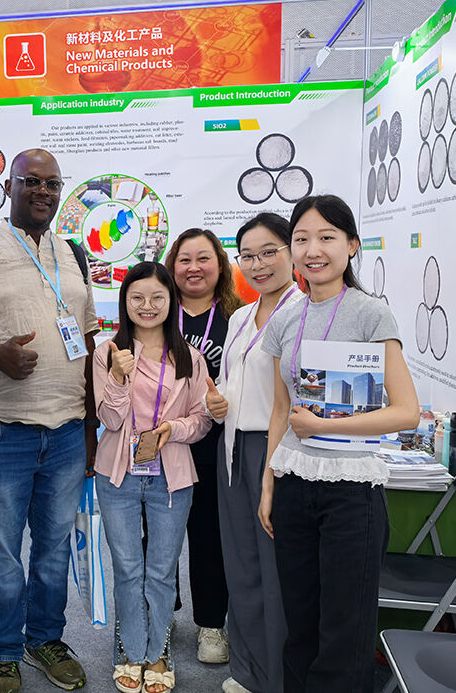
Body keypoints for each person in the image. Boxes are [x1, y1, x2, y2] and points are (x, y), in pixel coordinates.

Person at [258, 195, 419, 693]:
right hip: (293, 483)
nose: (313, 250)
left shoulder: (371, 314)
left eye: (326, 237)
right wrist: (268, 485)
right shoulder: (286, 318)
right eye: (301, 239)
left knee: (345, 630)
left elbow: (406, 411)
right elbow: (280, 411)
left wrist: (327, 425)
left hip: (351, 490)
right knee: (300, 622)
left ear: (351, 245)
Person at [0, 149, 99, 693]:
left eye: (52, 183)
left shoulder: (74, 253)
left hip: (66, 432)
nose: (43, 191)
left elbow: (87, 339)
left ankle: (45, 639)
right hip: (0, 431)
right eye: (31, 181)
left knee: (55, 549)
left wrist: (90, 427)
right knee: (1, 555)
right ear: (10, 186)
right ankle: (5, 652)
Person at [93, 262, 212, 693]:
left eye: (157, 298)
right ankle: (130, 650)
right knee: (127, 568)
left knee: (161, 570)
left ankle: (158, 651)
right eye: (137, 298)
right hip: (118, 475)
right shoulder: (108, 352)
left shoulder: (189, 358)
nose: (147, 306)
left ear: (171, 301)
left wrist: (171, 430)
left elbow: (201, 420)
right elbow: (109, 419)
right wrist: (118, 377)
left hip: (171, 475)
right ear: (124, 302)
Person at [205, 213, 305, 693]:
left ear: (292, 252)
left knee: (275, 570)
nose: (258, 264)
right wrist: (216, 401)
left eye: (269, 252)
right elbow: (232, 382)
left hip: (277, 452)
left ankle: (277, 678)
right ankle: (246, 671)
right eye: (247, 256)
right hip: (232, 450)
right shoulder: (241, 316)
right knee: (241, 564)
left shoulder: (305, 312)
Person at [164, 228, 242, 665]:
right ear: (172, 265)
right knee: (158, 534)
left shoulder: (239, 319)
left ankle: (211, 622)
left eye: (204, 258)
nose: (194, 268)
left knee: (210, 536)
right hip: (162, 445)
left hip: (214, 446)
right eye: (184, 259)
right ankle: (162, 610)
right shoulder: (155, 310)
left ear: (220, 266)